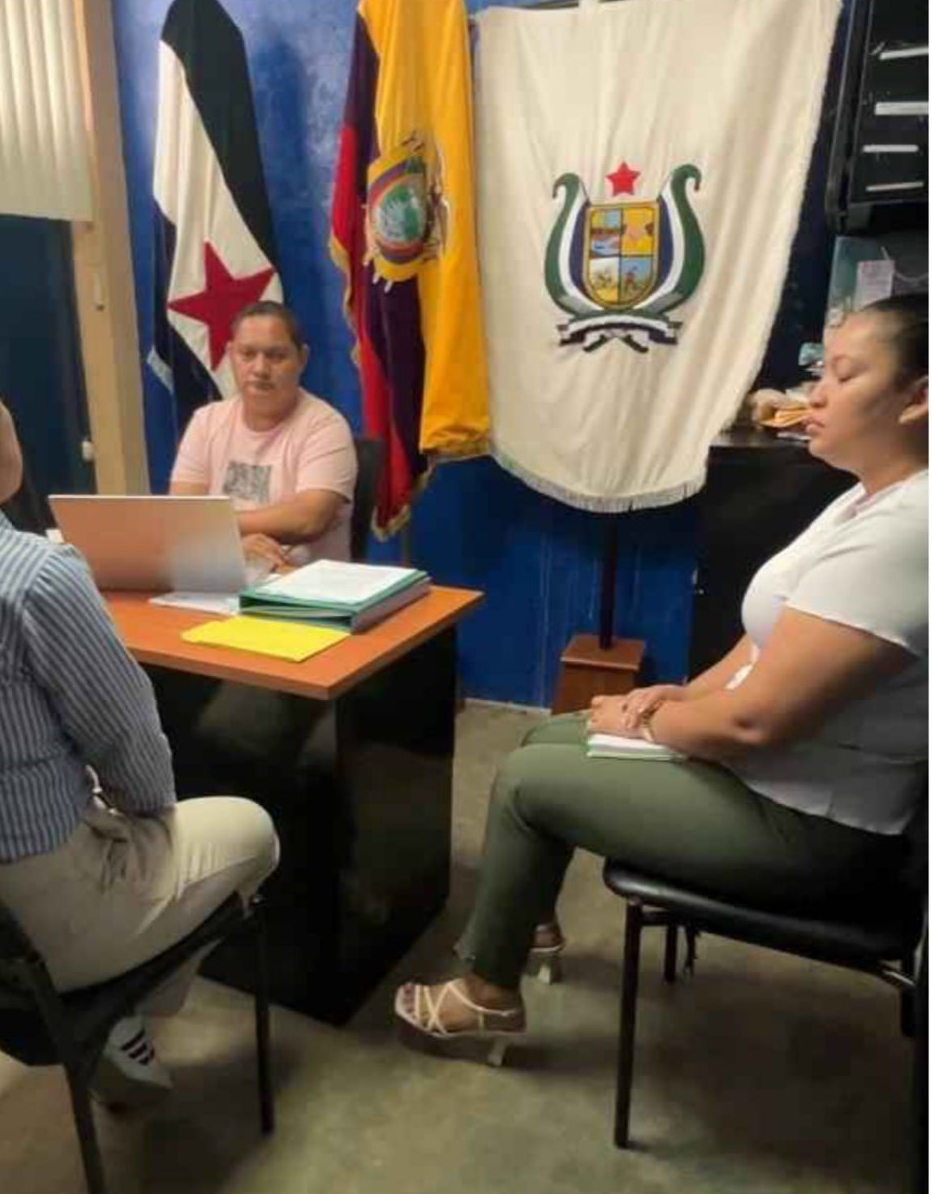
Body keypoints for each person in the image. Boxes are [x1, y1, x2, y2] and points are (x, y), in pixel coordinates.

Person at [395, 295, 929, 1052]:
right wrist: (680, 695)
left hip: (812, 828)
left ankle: (487, 993)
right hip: (775, 780)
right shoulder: (866, 499)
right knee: (547, 738)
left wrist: (647, 723)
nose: (814, 395)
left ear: (918, 398)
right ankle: (518, 920)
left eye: (844, 376)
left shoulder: (910, 532)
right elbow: (764, 639)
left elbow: (752, 724)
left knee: (526, 783)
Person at [0, 304, 279, 1105]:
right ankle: (119, 1008)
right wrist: (140, 826)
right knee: (253, 828)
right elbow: (137, 763)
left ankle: (118, 1004)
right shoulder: (30, 573)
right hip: (35, 927)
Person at [170, 300, 358, 565]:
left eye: (276, 356)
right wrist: (232, 546)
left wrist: (217, 532)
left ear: (302, 359)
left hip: (300, 583)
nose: (260, 369)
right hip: (221, 576)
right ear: (230, 355)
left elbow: (309, 519)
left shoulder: (325, 427)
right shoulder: (206, 421)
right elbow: (182, 515)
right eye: (247, 354)